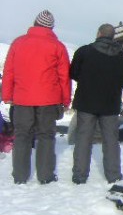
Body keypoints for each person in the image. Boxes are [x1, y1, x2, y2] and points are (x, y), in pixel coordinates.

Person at [1, 10, 71, 184]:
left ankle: (20, 176)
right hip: (49, 99)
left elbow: (9, 71)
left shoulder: (18, 43)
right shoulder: (58, 47)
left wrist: (7, 95)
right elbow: (64, 76)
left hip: (22, 98)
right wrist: (65, 100)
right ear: (51, 27)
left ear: (34, 23)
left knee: (22, 135)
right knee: (46, 136)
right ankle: (46, 176)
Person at [70, 24, 123, 184]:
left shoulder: (84, 51)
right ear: (112, 36)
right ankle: (114, 175)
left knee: (83, 138)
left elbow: (73, 73)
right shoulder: (121, 57)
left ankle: (80, 175)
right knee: (111, 140)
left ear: (98, 34)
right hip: (110, 104)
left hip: (86, 101)